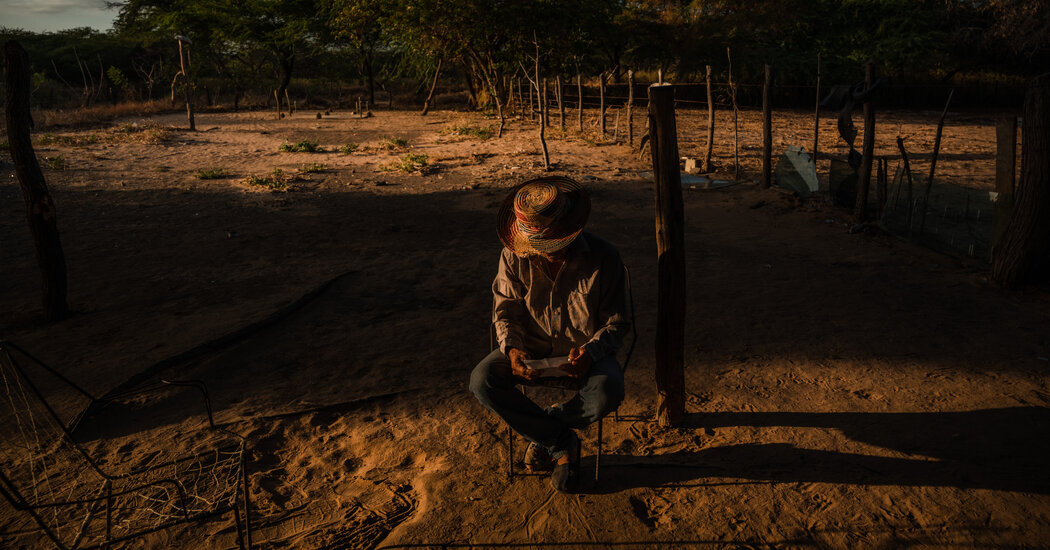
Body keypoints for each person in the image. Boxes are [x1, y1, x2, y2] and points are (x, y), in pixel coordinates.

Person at [469, 176, 629, 493]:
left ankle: (545, 425)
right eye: (544, 246)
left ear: (574, 227)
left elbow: (617, 323)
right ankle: (559, 440)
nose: (550, 252)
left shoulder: (604, 257)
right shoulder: (512, 257)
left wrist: (591, 353)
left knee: (609, 390)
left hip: (583, 354)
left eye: (557, 243)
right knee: (482, 380)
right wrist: (512, 350)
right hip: (530, 350)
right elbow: (506, 312)